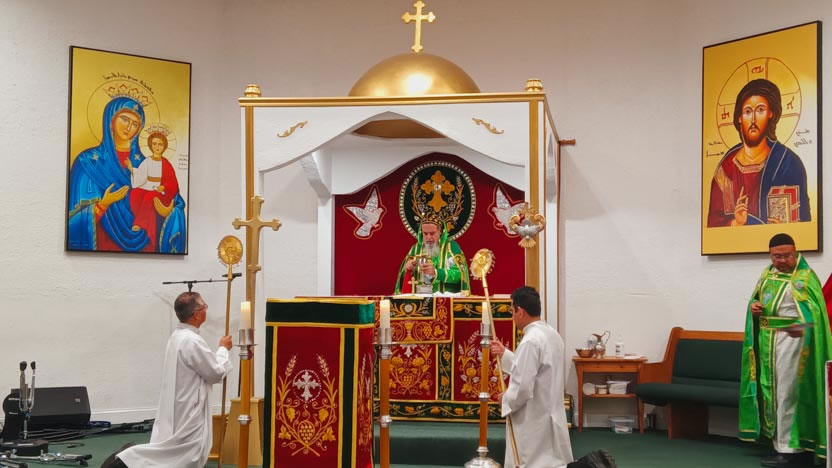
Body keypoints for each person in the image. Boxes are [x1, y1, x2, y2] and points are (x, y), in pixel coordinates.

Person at [102, 292, 233, 468]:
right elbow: (215, 372)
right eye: (204, 306)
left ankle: (129, 457)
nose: (206, 309)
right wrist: (223, 349)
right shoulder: (192, 341)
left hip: (179, 401)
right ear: (196, 314)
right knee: (186, 450)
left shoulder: (177, 336)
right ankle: (128, 459)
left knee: (173, 446)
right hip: (189, 405)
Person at [491, 287, 616, 468]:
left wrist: (506, 399)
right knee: (552, 462)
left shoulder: (530, 341)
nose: (512, 317)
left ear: (520, 311)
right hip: (550, 411)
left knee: (535, 463)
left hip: (534, 417)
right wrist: (505, 354)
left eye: (512, 311)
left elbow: (523, 387)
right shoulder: (552, 334)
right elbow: (537, 370)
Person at [739, 233, 832, 467]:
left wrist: (801, 326)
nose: (781, 260)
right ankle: (777, 444)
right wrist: (754, 307)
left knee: (787, 393)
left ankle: (792, 450)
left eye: (786, 255)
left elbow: (816, 314)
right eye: (776, 256)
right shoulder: (767, 275)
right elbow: (757, 301)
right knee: (770, 392)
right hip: (767, 342)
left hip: (794, 342)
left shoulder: (804, 278)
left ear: (795, 251)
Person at [707, 79, 810, 227]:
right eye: (748, 112)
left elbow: (804, 224)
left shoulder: (787, 163)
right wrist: (737, 222)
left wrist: (783, 228)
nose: (753, 119)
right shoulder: (726, 169)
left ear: (771, 114)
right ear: (739, 117)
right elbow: (713, 226)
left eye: (760, 110)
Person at [67, 97, 152, 252]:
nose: (129, 127)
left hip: (144, 243)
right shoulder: (87, 162)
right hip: (102, 241)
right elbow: (73, 220)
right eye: (125, 119)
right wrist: (103, 204)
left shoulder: (145, 164)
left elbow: (165, 200)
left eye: (135, 124)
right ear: (110, 120)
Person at [128, 130, 187, 252]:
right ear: (150, 145)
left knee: (150, 197)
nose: (157, 147)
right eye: (154, 144)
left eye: (160, 144)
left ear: (164, 146)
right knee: (135, 194)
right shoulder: (147, 161)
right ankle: (141, 219)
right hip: (148, 185)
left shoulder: (166, 163)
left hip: (162, 192)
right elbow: (140, 175)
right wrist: (131, 169)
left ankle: (140, 223)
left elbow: (173, 182)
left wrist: (164, 187)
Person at [393, 219, 470, 294]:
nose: (428, 237)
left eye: (432, 233)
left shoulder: (451, 247)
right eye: (425, 233)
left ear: (440, 232)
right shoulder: (415, 249)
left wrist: (436, 273)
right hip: (420, 298)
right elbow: (403, 280)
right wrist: (407, 269)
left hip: (446, 298)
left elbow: (460, 275)